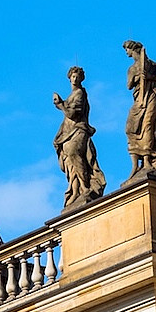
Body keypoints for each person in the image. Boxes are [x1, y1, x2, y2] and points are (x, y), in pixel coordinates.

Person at [53, 66, 107, 210]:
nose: (75, 79)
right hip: (68, 133)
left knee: (74, 154)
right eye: (73, 76)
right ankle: (76, 192)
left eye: (77, 76)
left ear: (81, 79)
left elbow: (72, 114)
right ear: (69, 78)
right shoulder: (72, 95)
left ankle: (85, 186)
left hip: (78, 131)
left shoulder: (80, 94)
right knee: (71, 164)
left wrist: (60, 105)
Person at [121, 40, 156, 185]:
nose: (127, 53)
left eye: (127, 50)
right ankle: (135, 165)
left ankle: (148, 160)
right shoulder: (131, 69)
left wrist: (149, 76)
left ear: (133, 49)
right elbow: (129, 85)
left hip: (151, 96)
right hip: (139, 98)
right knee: (131, 129)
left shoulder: (150, 64)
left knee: (148, 125)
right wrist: (138, 77)